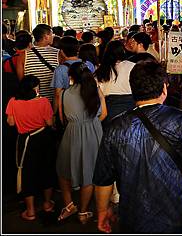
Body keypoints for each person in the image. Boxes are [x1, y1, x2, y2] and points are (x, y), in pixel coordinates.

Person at [93, 61, 182, 234]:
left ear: (133, 89)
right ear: (164, 89)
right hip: (180, 216)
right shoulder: (179, 120)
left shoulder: (116, 127)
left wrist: (102, 211)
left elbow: (104, 179)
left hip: (134, 220)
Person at [56, 62, 107, 224]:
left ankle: (69, 205)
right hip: (93, 132)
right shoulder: (95, 91)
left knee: (63, 169)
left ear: (71, 77)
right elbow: (104, 114)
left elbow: (62, 118)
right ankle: (83, 212)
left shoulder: (64, 94)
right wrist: (90, 123)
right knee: (88, 173)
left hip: (71, 133)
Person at [5, 75, 56, 221]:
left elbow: (10, 123)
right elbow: (49, 122)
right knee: (46, 169)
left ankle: (30, 211)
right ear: (35, 88)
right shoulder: (43, 101)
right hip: (43, 138)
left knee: (27, 174)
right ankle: (47, 204)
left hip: (24, 140)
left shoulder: (13, 101)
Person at [51, 36, 95, 123]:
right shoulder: (89, 64)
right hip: (88, 105)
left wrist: (55, 113)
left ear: (62, 52)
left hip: (69, 109)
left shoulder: (60, 69)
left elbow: (57, 95)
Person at [16, 24, 60, 105]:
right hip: (52, 101)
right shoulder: (58, 54)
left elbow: (21, 80)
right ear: (46, 36)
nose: (53, 36)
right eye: (51, 34)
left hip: (32, 101)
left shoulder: (23, 55)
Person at [95, 40, 136, 124]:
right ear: (123, 51)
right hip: (131, 109)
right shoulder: (133, 66)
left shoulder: (101, 70)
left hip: (108, 110)